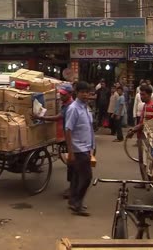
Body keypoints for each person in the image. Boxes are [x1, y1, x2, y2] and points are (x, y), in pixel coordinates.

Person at [34, 84, 74, 199]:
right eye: (60, 94)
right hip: (67, 134)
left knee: (72, 164)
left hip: (71, 137)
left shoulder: (70, 106)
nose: (61, 96)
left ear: (70, 94)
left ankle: (73, 189)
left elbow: (58, 117)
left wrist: (42, 118)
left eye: (63, 94)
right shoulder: (65, 103)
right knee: (71, 164)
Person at [65, 81, 95, 216]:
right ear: (77, 93)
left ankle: (73, 201)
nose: (85, 95)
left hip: (86, 147)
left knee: (77, 176)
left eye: (87, 92)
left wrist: (92, 147)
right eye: (82, 92)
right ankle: (77, 203)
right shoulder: (74, 108)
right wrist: (70, 152)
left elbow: (89, 128)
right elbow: (68, 130)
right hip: (78, 148)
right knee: (87, 177)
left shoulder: (85, 108)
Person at [127, 85, 153, 186]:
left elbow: (144, 124)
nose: (141, 97)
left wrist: (133, 130)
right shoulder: (147, 105)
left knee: (144, 161)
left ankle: (146, 182)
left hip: (145, 137)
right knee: (145, 161)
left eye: (143, 94)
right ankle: (149, 181)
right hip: (142, 135)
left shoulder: (150, 107)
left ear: (149, 95)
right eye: (140, 94)